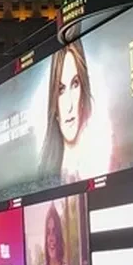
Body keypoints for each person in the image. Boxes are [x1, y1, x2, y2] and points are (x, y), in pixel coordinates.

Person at [38, 40, 112, 185]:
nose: (69, 105)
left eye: (75, 84)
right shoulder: (45, 174)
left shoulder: (101, 162)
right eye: (61, 90)